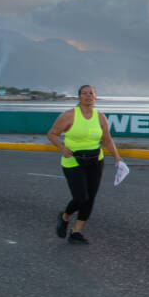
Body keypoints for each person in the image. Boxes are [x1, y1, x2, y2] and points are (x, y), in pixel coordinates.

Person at [46, 84, 122, 245]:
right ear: (79, 97)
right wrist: (62, 147)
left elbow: (107, 139)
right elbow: (51, 134)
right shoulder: (69, 115)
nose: (88, 96)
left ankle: (76, 232)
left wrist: (117, 157)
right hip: (73, 161)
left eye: (91, 93)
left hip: (96, 161)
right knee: (81, 197)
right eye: (84, 93)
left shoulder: (100, 117)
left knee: (90, 198)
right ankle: (65, 217)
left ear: (95, 97)